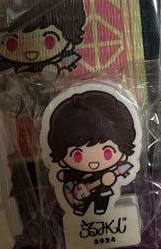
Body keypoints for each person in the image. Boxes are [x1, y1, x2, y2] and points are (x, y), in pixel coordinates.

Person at [47, 88, 138, 217]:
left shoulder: (116, 169)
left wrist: (111, 177)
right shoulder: (76, 172)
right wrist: (64, 176)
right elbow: (67, 175)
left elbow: (118, 173)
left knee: (102, 206)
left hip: (103, 193)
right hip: (79, 195)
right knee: (79, 211)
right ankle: (82, 213)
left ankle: (101, 214)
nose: (93, 162)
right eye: (78, 155)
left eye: (107, 153)